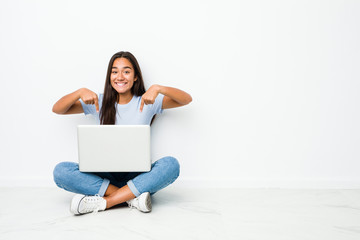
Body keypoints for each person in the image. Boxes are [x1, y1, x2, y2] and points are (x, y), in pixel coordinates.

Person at [52, 51, 192, 215]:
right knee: (61, 171)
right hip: (105, 174)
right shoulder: (99, 102)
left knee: (171, 165)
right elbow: (58, 109)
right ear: (109, 77)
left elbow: (186, 99)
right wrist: (79, 92)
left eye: (126, 71)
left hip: (137, 175)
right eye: (114, 71)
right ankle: (131, 197)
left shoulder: (147, 101)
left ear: (135, 77)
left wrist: (158, 88)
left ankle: (107, 201)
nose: (120, 76)